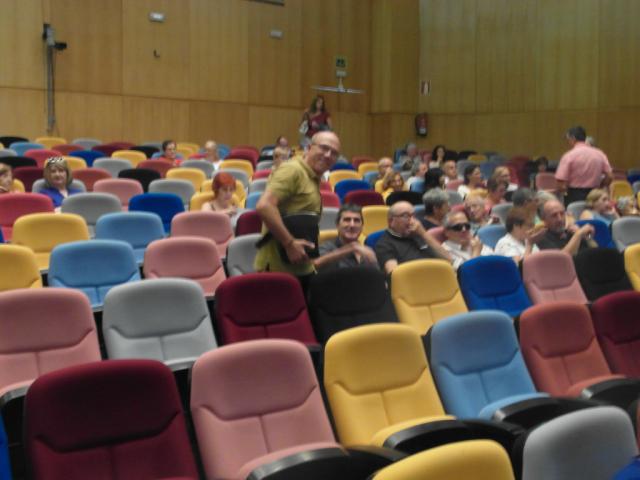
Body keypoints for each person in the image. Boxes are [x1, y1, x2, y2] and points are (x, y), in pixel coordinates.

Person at [255, 131, 341, 286]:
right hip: (278, 269)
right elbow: (265, 206)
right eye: (324, 148)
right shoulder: (292, 170)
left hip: (300, 266)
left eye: (334, 153)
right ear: (309, 148)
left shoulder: (312, 176)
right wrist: (289, 243)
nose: (328, 155)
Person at [374, 201, 451, 274]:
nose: (412, 221)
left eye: (413, 215)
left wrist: (423, 234)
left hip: (437, 275)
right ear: (391, 221)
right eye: (405, 216)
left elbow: (448, 259)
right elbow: (394, 274)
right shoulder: (384, 244)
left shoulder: (419, 234)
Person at [555, 125, 612, 206]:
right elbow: (610, 176)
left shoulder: (568, 156)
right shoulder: (600, 154)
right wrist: (600, 186)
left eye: (568, 139)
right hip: (595, 195)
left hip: (574, 195)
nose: (568, 142)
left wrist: (565, 192)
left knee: (574, 213)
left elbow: (560, 183)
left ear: (573, 138)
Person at [314, 204, 378, 272]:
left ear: (362, 226)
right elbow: (316, 263)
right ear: (337, 225)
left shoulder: (367, 251)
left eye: (356, 220)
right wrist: (351, 248)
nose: (352, 225)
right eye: (347, 220)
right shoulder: (327, 247)